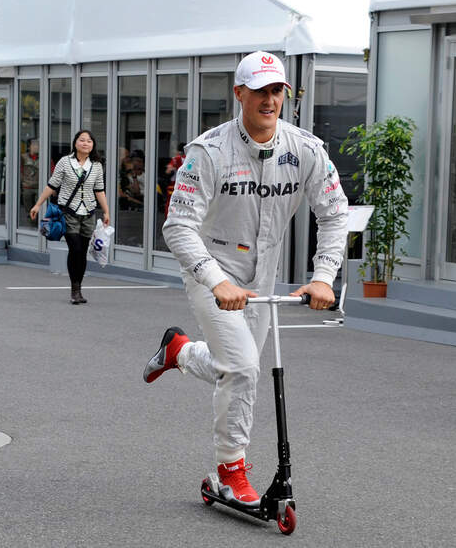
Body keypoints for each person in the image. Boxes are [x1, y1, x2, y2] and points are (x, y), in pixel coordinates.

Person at [142, 51, 349, 505]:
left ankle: (179, 352)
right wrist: (215, 281)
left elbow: (335, 215)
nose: (270, 100)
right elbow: (178, 226)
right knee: (242, 367)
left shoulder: (307, 150)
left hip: (264, 275)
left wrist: (323, 277)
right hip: (210, 269)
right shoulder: (209, 151)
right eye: (260, 91)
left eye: (277, 91)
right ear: (239, 94)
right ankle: (229, 469)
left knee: (236, 369)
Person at [30, 129, 111, 305]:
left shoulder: (96, 165)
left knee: (82, 253)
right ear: (75, 143)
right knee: (74, 249)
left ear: (93, 145)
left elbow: (99, 190)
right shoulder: (65, 162)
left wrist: (106, 211)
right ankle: (74, 289)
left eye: (89, 141)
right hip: (68, 212)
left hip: (88, 213)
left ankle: (79, 288)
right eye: (82, 140)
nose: (85, 143)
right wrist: (38, 204)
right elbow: (52, 185)